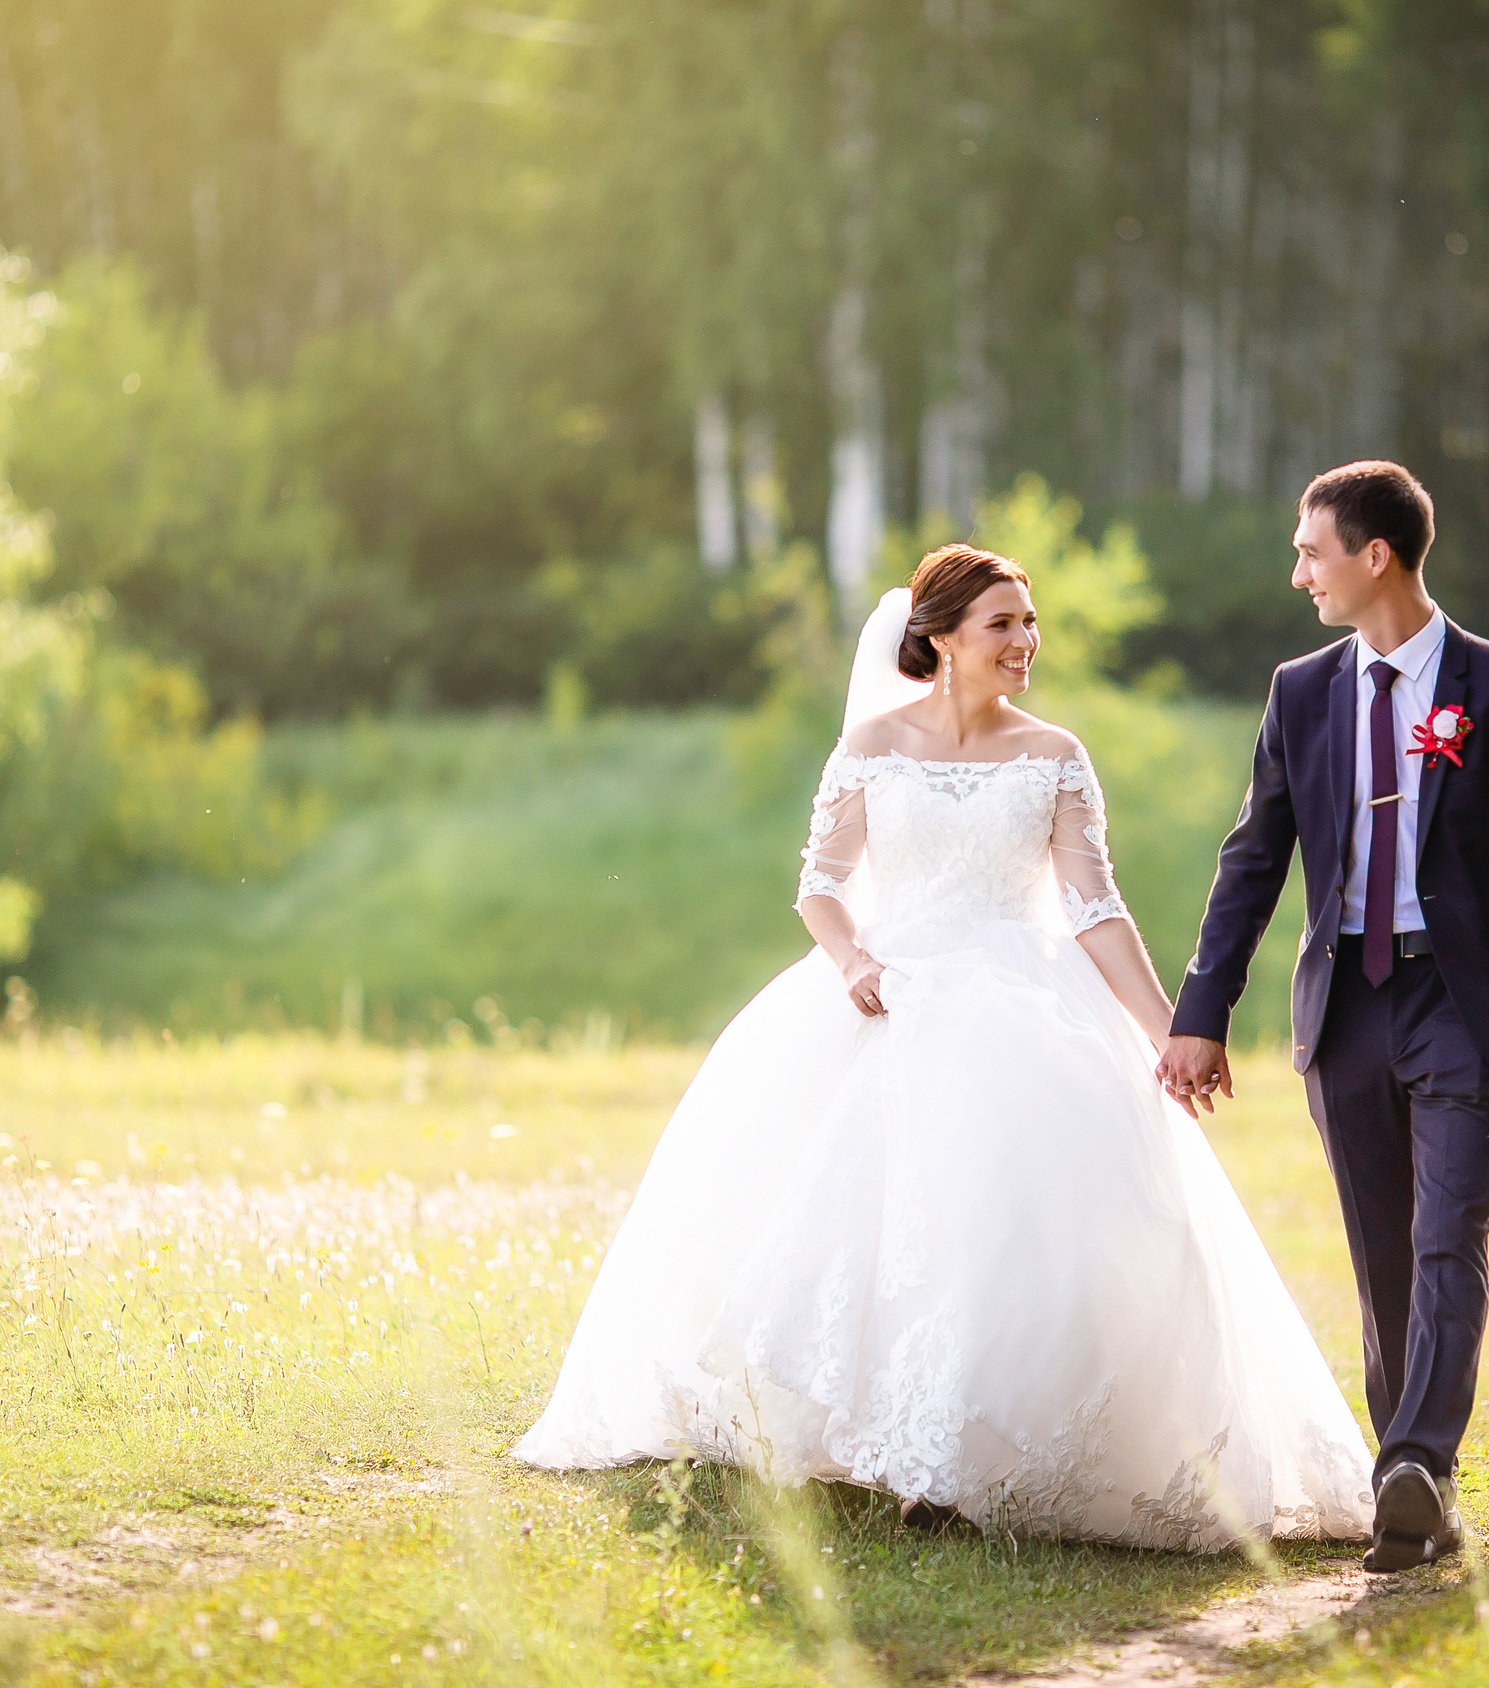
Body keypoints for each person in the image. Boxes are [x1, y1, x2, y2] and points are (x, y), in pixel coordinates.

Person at [513, 544, 1375, 1550]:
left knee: (1003, 1220)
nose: (1025, 642)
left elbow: (1095, 909)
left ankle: (961, 1460)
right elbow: (820, 886)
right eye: (1002, 624)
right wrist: (850, 964)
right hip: (890, 994)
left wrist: (1173, 1032)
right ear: (940, 638)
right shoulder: (872, 746)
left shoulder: (1054, 754)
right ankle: (881, 1437)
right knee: (872, 1222)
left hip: (1022, 998)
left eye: (1029, 621)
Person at [1156, 460, 1489, 1573]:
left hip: (1466, 1010)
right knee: (1381, 1256)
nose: (1297, 572)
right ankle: (1418, 1478)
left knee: (1446, 1237)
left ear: (1375, 557)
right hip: (1344, 1006)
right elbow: (1252, 861)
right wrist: (1200, 1011)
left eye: (1311, 551)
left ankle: (1412, 1469)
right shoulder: (1300, 692)